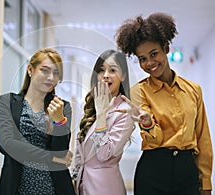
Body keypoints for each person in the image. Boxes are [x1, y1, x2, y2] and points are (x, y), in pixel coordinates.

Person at [115, 12, 213, 195]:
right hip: (153, 172)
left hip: (187, 171)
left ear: (166, 48)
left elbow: (203, 139)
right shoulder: (139, 92)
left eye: (154, 54)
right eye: (142, 59)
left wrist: (206, 183)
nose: (149, 63)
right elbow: (155, 139)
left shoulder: (193, 90)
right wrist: (147, 123)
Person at [0, 48, 75, 195]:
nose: (51, 77)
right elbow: (7, 145)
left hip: (53, 188)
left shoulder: (62, 107)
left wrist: (59, 121)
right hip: (16, 187)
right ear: (30, 69)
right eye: (45, 70)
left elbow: (60, 152)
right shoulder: (8, 102)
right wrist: (50, 157)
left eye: (56, 73)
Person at [72, 49, 135, 195]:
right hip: (82, 184)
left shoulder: (124, 111)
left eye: (112, 70)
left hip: (105, 188)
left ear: (123, 76)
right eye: (101, 70)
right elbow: (79, 150)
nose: (106, 75)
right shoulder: (91, 105)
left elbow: (104, 154)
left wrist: (101, 115)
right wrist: (75, 176)